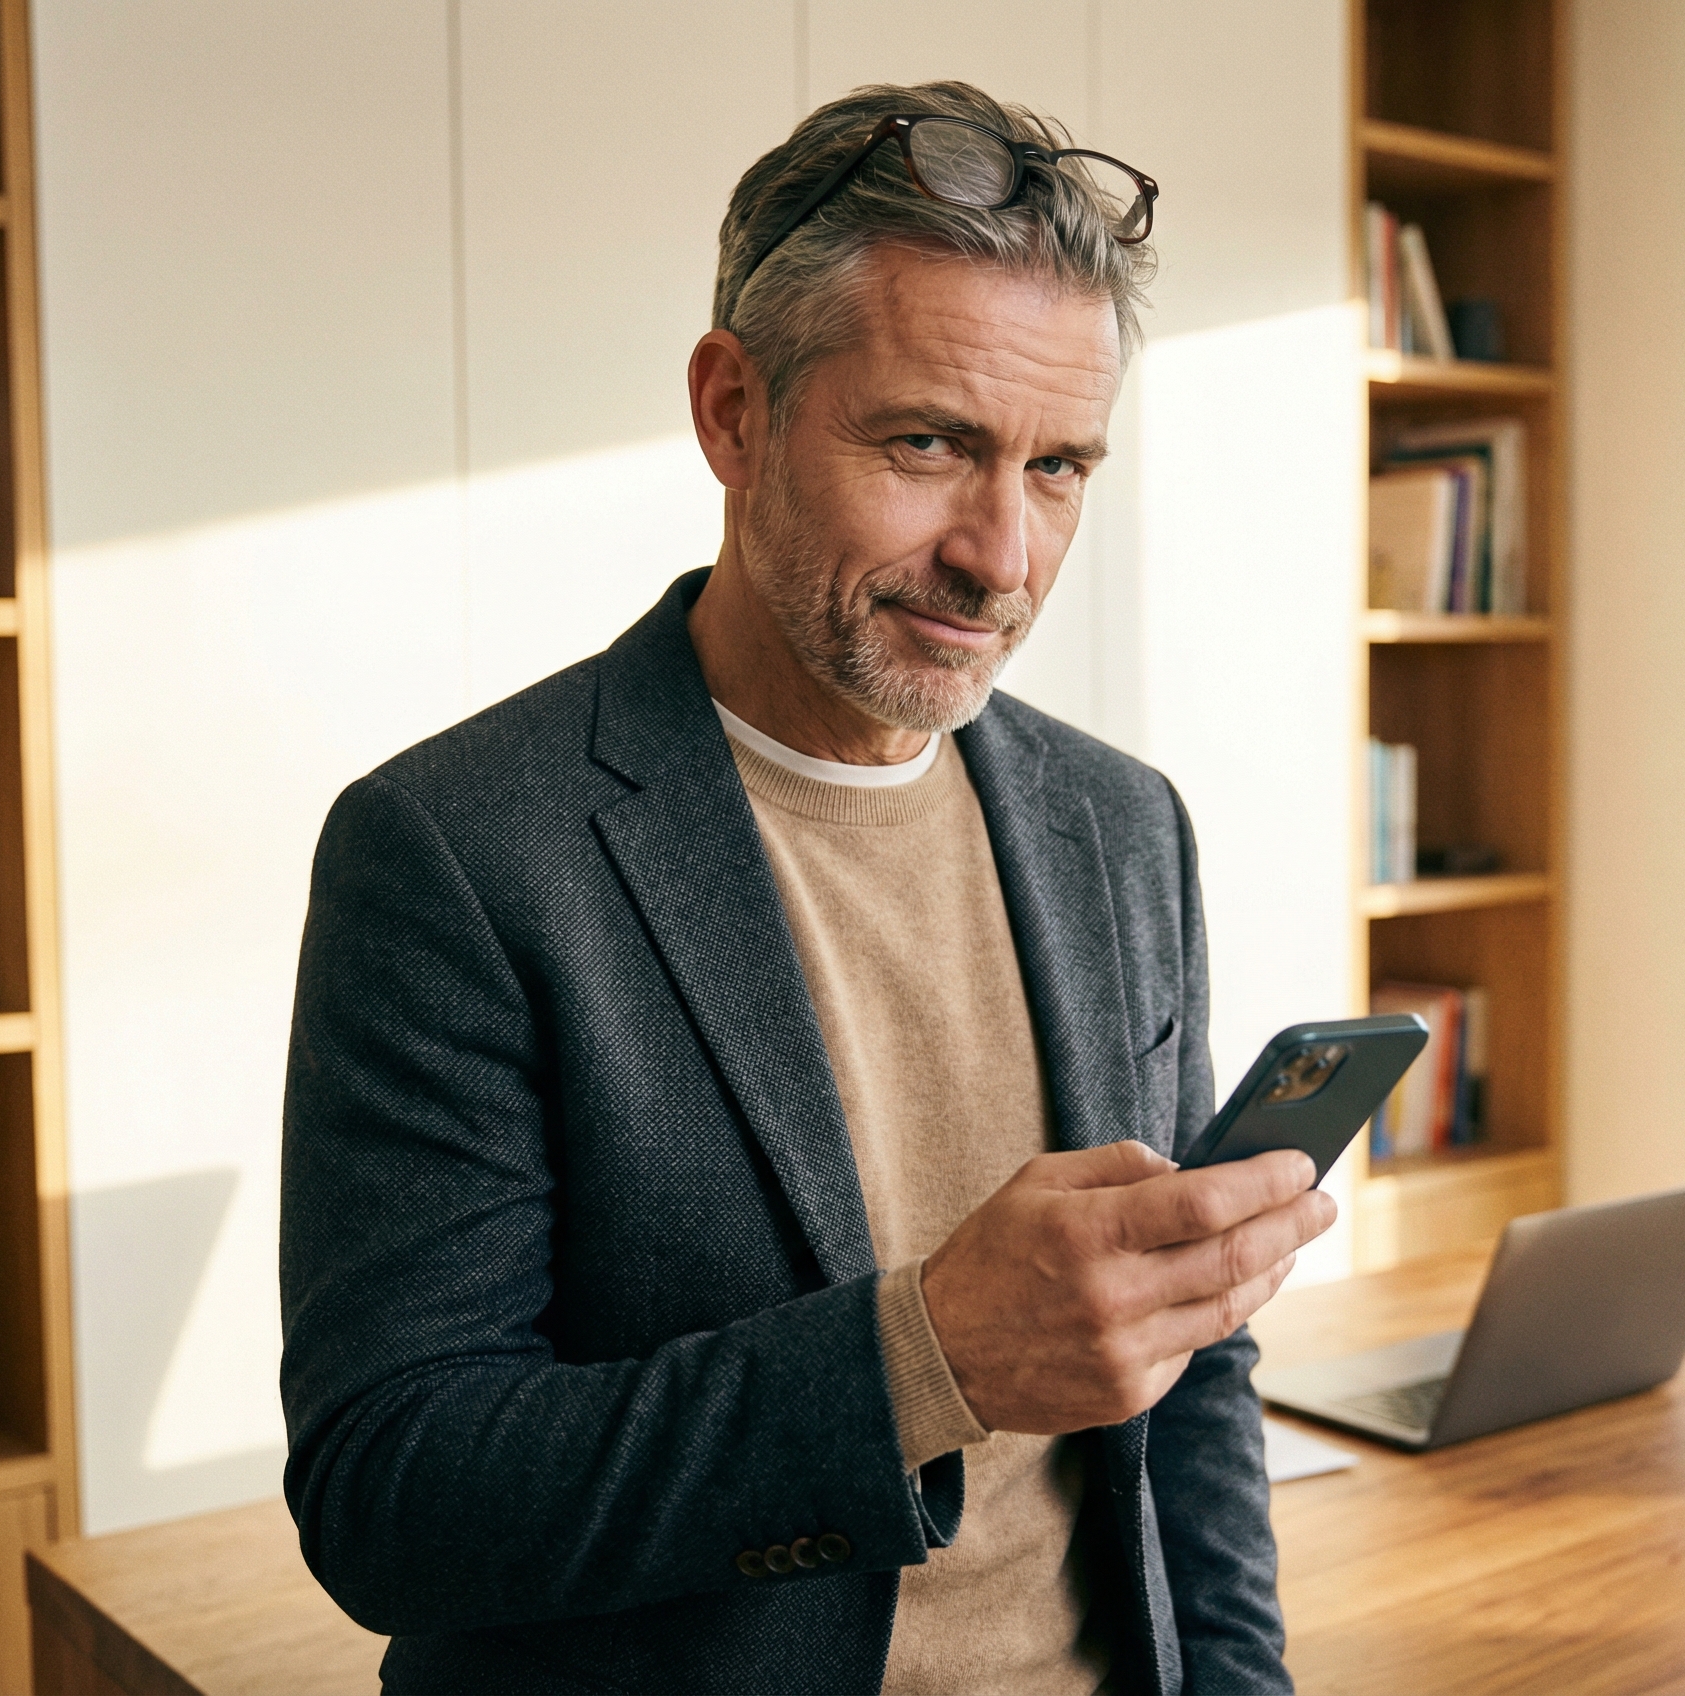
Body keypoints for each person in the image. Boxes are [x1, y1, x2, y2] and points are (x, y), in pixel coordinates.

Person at [279, 79, 1334, 1696]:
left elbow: (1191, 1366)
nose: (1004, 555)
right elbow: (393, 1495)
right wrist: (919, 1362)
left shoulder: (1125, 828)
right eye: (930, 443)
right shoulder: (459, 853)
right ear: (731, 411)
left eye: (1059, 469)